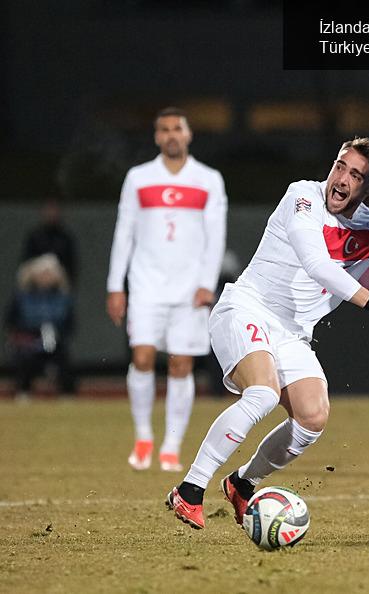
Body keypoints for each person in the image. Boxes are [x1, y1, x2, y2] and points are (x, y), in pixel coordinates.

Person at [165, 137, 369, 529]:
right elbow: (317, 263)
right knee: (263, 394)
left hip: (292, 334)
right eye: (340, 165)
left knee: (313, 416)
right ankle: (189, 490)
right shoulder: (302, 197)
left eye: (356, 175)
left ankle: (242, 483)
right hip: (245, 308)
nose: (341, 179)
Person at [106, 107, 228, 472]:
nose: (172, 135)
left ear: (188, 134)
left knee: (180, 364)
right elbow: (123, 232)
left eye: (178, 128)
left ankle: (171, 445)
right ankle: (144, 436)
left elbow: (215, 235)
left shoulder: (208, 179)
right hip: (145, 284)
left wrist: (208, 283)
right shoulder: (138, 178)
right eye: (165, 129)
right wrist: (116, 286)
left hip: (190, 288)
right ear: (157, 137)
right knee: (142, 357)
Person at [5, 254, 75, 399]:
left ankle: (67, 395)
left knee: (62, 357)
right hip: (28, 342)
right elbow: (11, 322)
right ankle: (23, 393)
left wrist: (54, 334)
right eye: (42, 273)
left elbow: (70, 325)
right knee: (25, 358)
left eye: (49, 273)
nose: (46, 277)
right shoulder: (22, 296)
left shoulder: (63, 298)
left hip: (55, 342)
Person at [22, 199, 78, 284]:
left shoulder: (65, 238)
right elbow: (26, 260)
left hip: (57, 274)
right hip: (36, 271)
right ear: (42, 212)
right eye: (48, 209)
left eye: (53, 210)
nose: (51, 213)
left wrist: (52, 271)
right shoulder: (34, 236)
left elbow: (71, 266)